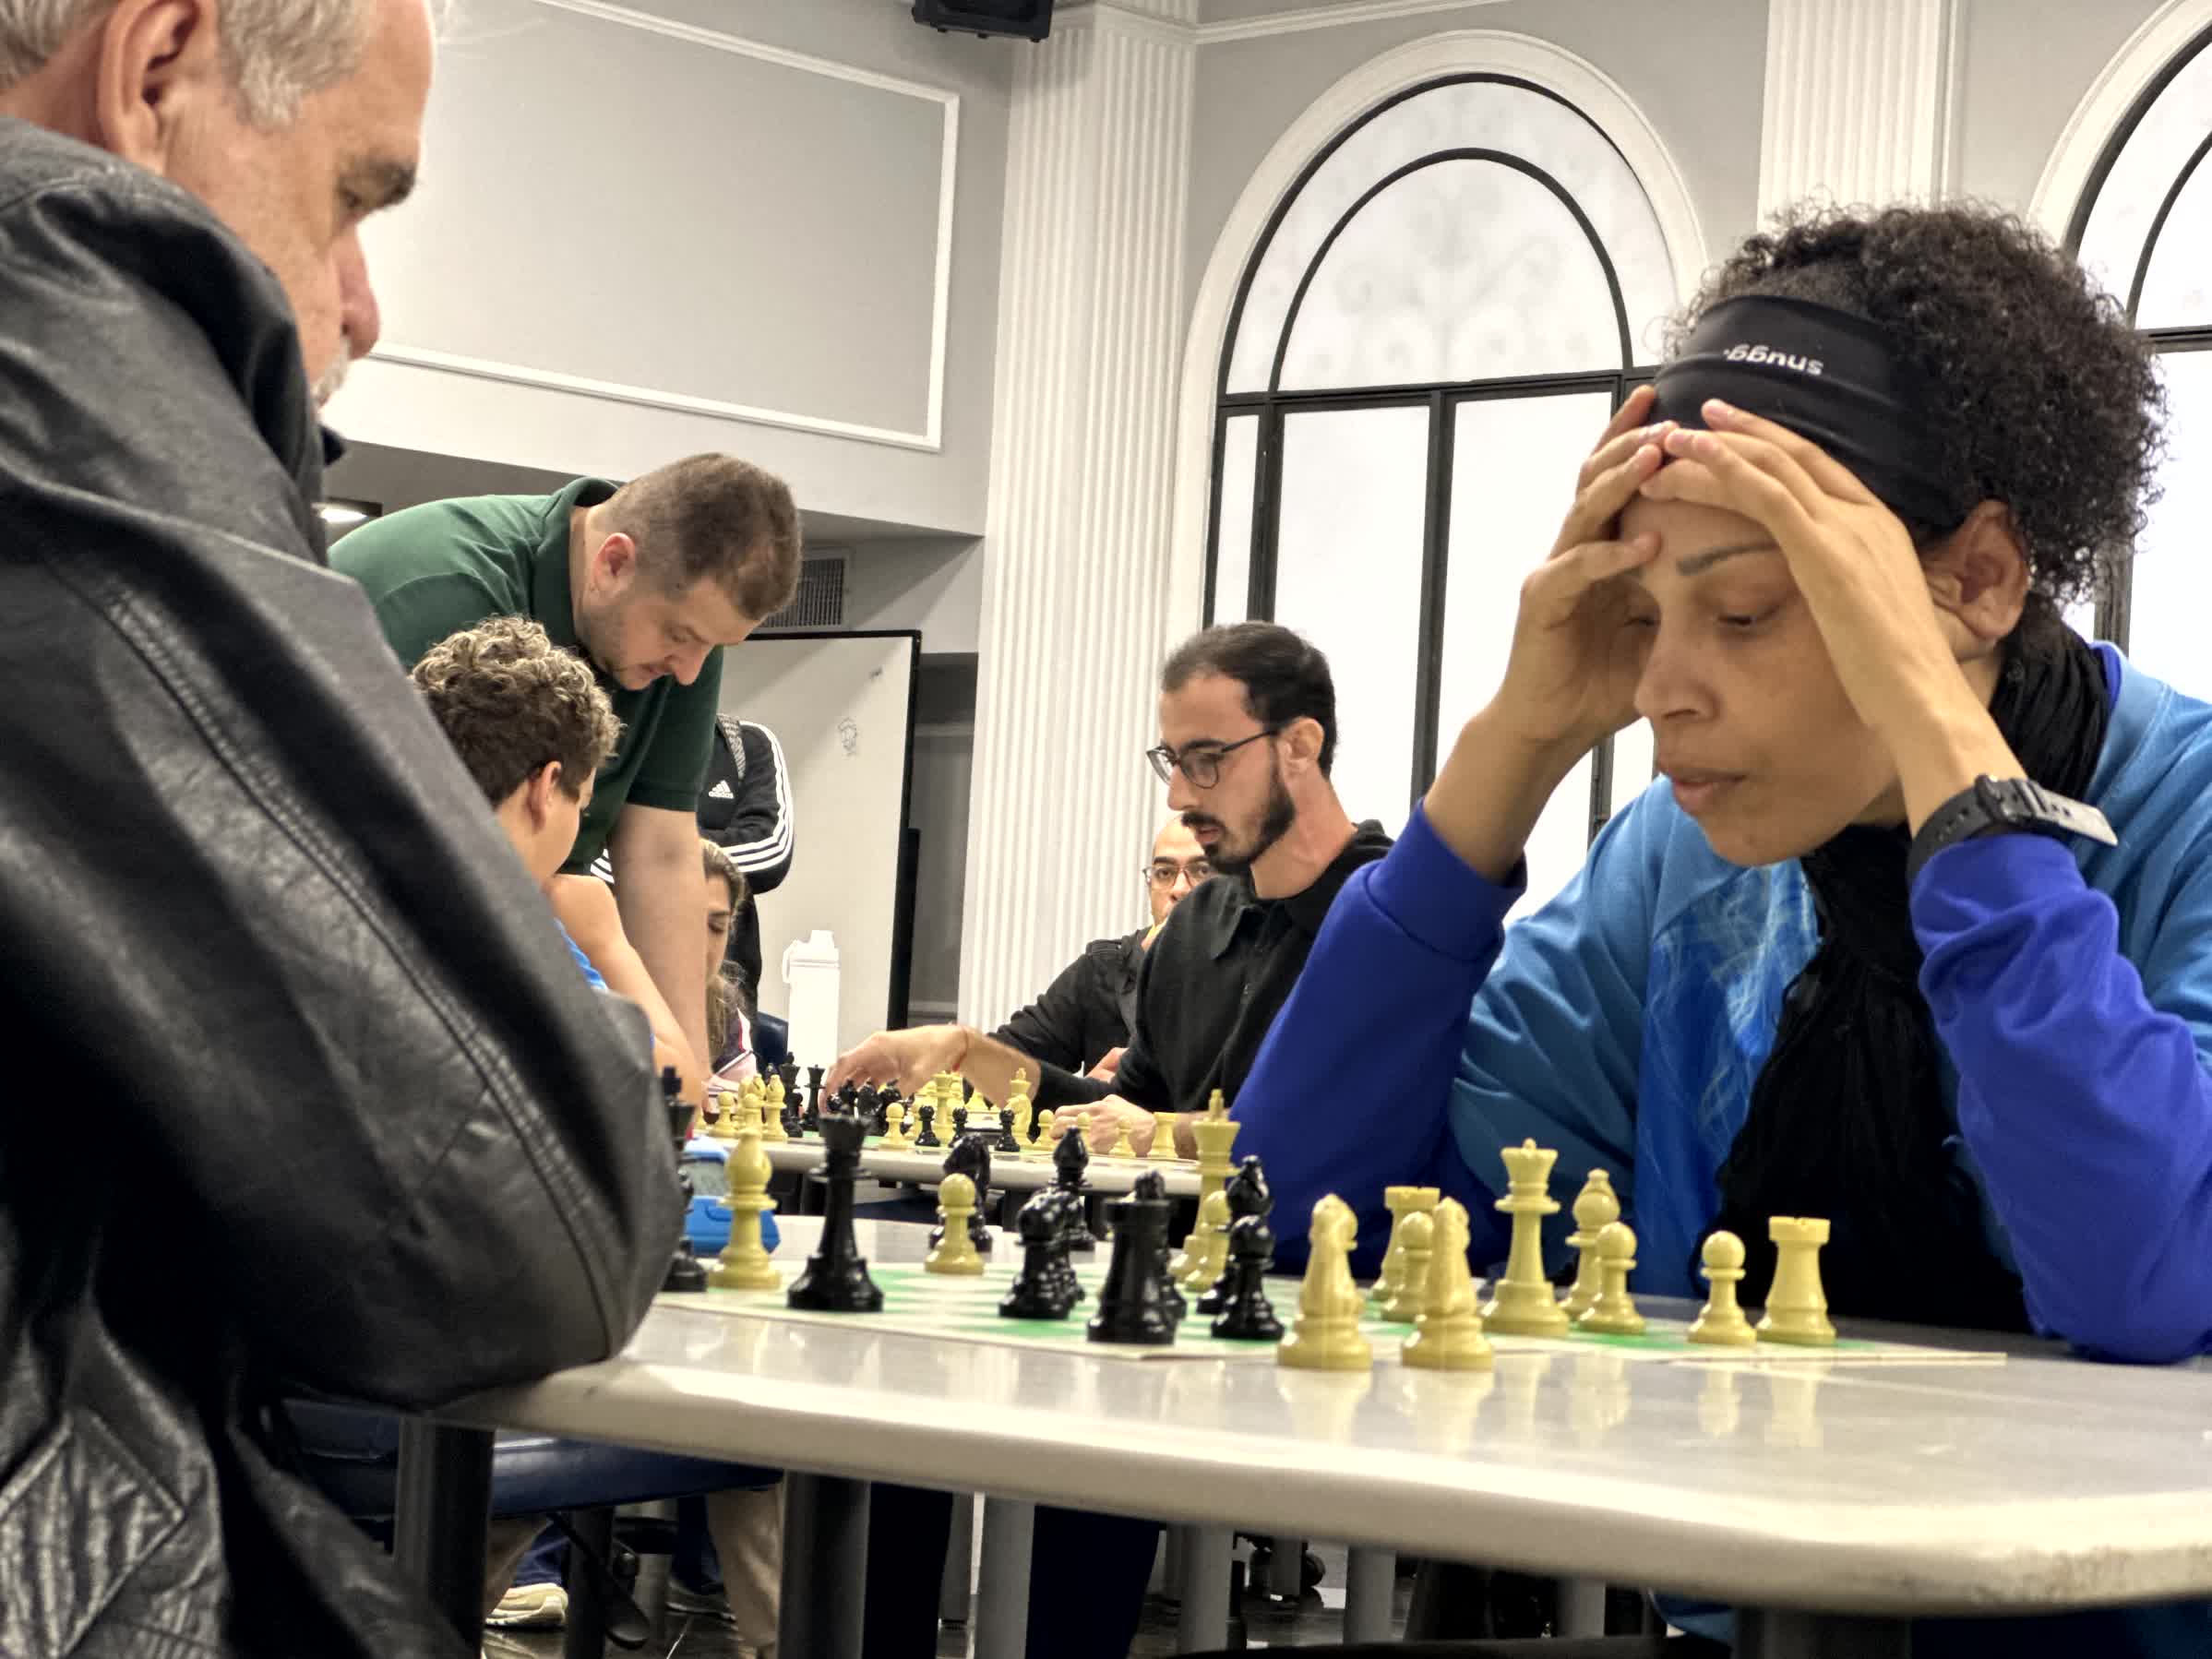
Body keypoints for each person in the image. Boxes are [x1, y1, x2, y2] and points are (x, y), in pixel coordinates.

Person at [1236, 205, 2212, 1657]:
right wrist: (1512, 744)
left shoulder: (2185, 813)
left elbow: (2150, 1278)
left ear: (1979, 580)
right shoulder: (1680, 857)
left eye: (1745, 611)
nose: (1661, 691)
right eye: (1640, 616)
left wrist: (1950, 763)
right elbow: (1303, 1221)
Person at [0, 2, 679, 1655]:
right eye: (351, 198)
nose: (361, 302)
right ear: (156, 65)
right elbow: (527, 1216)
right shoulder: (45, 318)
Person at [411, 621, 777, 1650]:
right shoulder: (514, 926)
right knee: (763, 1417)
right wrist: (609, 935)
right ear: (547, 789)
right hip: (454, 1361)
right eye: (583, 806)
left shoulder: (340, 886)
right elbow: (677, 1088)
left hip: (289, 1377)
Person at [827, 623, 1392, 1161]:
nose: (1177, 796)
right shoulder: (1193, 926)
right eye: (1173, 762)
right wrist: (967, 1051)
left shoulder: (1394, 919)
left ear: (1299, 746)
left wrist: (1166, 1132)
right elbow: (1118, 1115)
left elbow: (1360, 1123)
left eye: (1206, 761)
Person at [330, 450, 803, 1082]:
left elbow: (662, 854)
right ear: (613, 562)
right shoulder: (443, 587)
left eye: (713, 647)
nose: (690, 672)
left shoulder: (680, 640)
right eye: (681, 635)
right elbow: (418, 868)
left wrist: (686, 1101)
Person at [988, 816, 1212, 1081]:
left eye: (1202, 871)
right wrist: (1083, 1096)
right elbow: (992, 1069)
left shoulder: (1251, 973)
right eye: (1164, 872)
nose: (1179, 889)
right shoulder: (1104, 969)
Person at [698, 713, 795, 1003]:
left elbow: (771, 852)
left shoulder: (745, 742)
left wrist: (662, 845)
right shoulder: (623, 738)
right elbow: (599, 857)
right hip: (628, 978)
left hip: (728, 991)